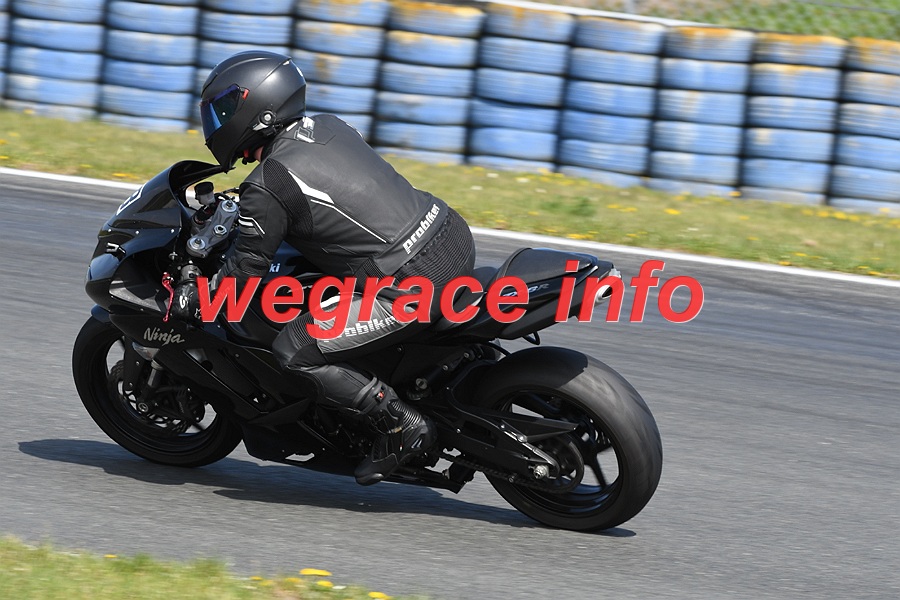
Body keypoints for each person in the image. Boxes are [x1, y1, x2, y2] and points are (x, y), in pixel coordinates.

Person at [176, 50, 476, 485]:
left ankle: (400, 425)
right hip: (451, 236)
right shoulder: (330, 126)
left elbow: (243, 275)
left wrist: (197, 298)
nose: (217, 124)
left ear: (256, 108)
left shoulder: (268, 183)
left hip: (412, 285)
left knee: (295, 350)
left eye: (223, 111)